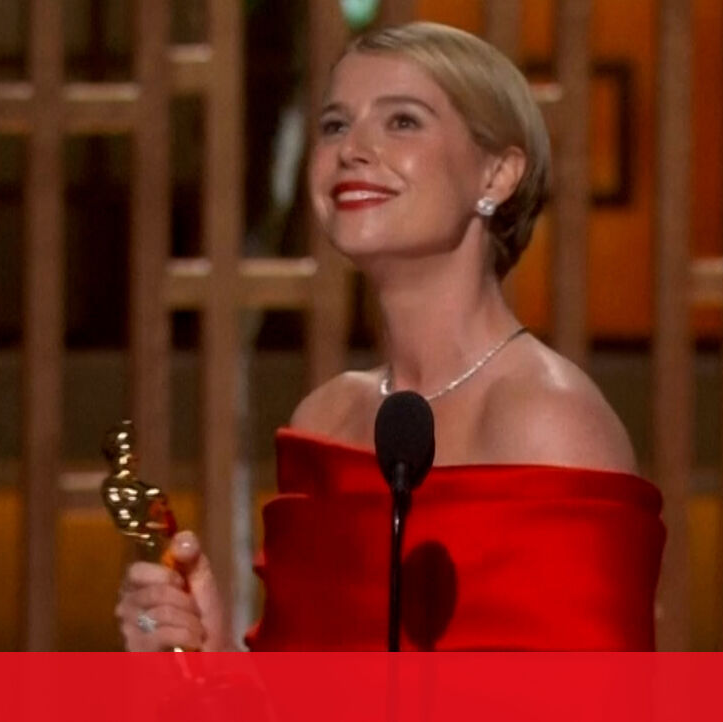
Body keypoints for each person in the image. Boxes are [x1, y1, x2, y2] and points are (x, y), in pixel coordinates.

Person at [115, 21, 665, 652]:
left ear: (497, 174)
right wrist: (206, 660)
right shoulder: (324, 420)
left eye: (402, 121)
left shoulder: (551, 422)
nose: (352, 148)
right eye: (334, 125)